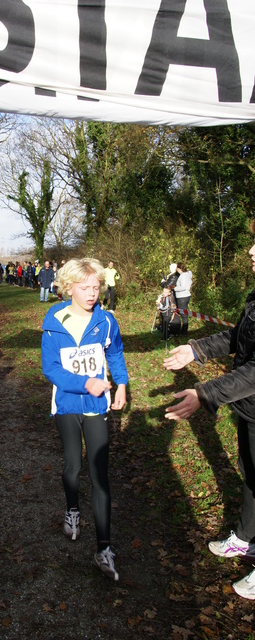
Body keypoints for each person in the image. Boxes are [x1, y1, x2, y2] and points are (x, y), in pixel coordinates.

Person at [163, 229, 255, 600]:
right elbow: (238, 340)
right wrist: (196, 350)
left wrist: (205, 392)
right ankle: (248, 537)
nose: (250, 250)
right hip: (250, 408)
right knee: (251, 474)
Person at [41, 258, 128, 579]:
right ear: (69, 287)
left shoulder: (106, 321)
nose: (92, 293)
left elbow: (115, 353)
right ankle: (72, 510)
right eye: (85, 287)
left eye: (96, 287)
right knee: (73, 467)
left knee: (99, 471)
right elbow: (50, 368)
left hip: (95, 404)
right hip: (65, 403)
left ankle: (104, 548)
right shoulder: (54, 319)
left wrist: (121, 384)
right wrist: (84, 382)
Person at [174, 262, 193, 335]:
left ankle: (184, 332)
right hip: (185, 296)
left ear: (179, 268)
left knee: (183, 314)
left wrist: (175, 288)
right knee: (183, 313)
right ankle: (183, 330)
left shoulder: (183, 276)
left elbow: (183, 287)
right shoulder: (187, 275)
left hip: (182, 296)